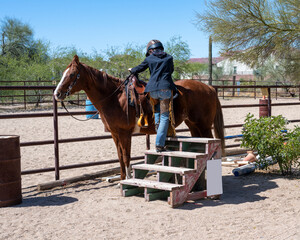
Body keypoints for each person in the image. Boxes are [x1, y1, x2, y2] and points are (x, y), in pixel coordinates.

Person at [129, 40, 177, 152]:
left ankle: (158, 133)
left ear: (151, 50)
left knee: (156, 113)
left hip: (152, 90)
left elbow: (138, 69)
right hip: (165, 89)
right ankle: (159, 144)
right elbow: (171, 71)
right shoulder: (169, 58)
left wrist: (132, 70)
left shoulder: (149, 58)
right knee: (165, 116)